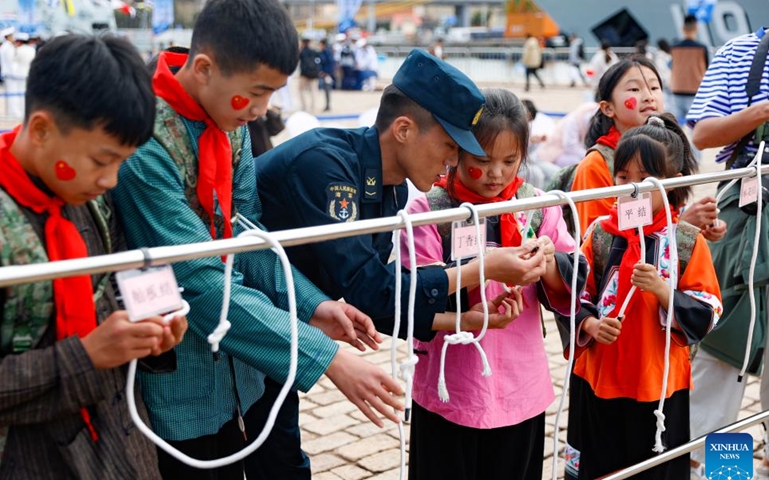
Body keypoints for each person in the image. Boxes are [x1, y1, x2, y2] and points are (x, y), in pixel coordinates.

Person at [111, 1, 404, 479]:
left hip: (234, 372)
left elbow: (248, 235)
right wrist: (326, 356)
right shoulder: (144, 142)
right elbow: (198, 281)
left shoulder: (230, 124)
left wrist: (311, 305)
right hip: (174, 375)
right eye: (257, 92)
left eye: (273, 93)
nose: (264, 109)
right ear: (203, 69)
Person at [256, 48, 548, 477]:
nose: (454, 162)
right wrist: (480, 269)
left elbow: (381, 302)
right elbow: (370, 287)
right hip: (237, 319)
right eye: (450, 146)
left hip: (284, 327)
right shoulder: (327, 166)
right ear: (404, 129)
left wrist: (465, 319)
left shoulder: (388, 188)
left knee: (279, 457)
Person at [0, 33, 188, 479]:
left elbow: (107, 293)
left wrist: (147, 331)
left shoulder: (85, 200)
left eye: (122, 162)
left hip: (119, 445)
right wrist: (87, 355)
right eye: (101, 160)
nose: (110, 180)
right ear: (42, 129)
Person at [401, 88, 587, 480]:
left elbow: (572, 280)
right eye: (481, 161)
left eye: (509, 161)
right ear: (455, 152)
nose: (496, 174)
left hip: (520, 386)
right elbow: (412, 298)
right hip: (448, 387)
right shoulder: (428, 211)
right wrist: (482, 282)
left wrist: (546, 262)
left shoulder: (537, 206)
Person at [564, 117, 722, 480]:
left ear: (670, 184)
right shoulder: (600, 234)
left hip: (659, 385)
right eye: (622, 177)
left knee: (656, 469)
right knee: (602, 465)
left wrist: (664, 290)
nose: (631, 188)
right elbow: (572, 293)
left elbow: (710, 308)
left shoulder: (685, 241)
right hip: (599, 379)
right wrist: (589, 322)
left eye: (645, 180)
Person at [686, 26, 769, 480]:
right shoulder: (741, 52)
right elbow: (702, 135)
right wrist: (762, 111)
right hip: (745, 223)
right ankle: (717, 473)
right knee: (723, 354)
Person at [570, 56, 727, 242]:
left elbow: (669, 212)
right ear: (607, 108)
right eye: (634, 89)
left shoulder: (667, 150)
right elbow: (596, 244)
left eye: (654, 88)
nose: (649, 96)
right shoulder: (595, 164)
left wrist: (700, 226)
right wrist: (682, 226)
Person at [671, 15, 708, 125]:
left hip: (677, 89)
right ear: (696, 27)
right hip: (695, 91)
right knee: (696, 126)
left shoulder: (674, 48)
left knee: (676, 126)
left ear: (683, 28)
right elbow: (706, 68)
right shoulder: (702, 48)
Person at [0, 27, 18, 118]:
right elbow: (11, 62)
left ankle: (11, 111)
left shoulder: (3, 46)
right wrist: (15, 74)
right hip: (10, 74)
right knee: (13, 92)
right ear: (8, 37)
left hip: (6, 72)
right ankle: (14, 112)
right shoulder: (9, 47)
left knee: (10, 92)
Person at [298, 37, 320, 112]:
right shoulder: (314, 51)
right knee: (314, 90)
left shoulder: (302, 51)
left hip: (304, 73)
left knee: (301, 90)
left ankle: (304, 106)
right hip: (314, 73)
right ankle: (313, 106)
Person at [319, 38, 335, 111]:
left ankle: (328, 105)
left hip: (327, 74)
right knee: (326, 90)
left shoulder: (327, 52)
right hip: (324, 73)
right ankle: (327, 105)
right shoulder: (323, 52)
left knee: (327, 90)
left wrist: (327, 73)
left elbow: (330, 63)